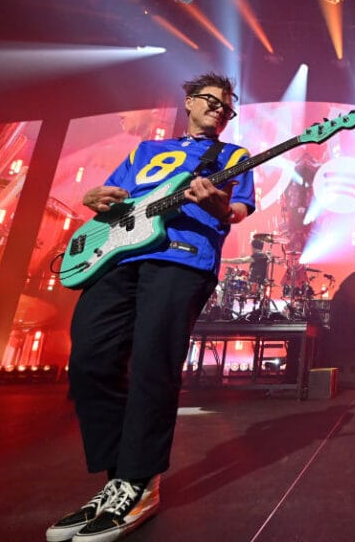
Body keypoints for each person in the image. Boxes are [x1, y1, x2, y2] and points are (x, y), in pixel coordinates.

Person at [47, 72, 255, 542]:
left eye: (227, 107)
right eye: (211, 101)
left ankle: (138, 483)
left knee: (150, 367)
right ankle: (117, 479)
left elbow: (237, 211)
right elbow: (108, 197)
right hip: (117, 257)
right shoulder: (145, 152)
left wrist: (219, 204)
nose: (220, 110)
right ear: (188, 101)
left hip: (181, 259)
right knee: (89, 361)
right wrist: (94, 197)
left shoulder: (233, 156)